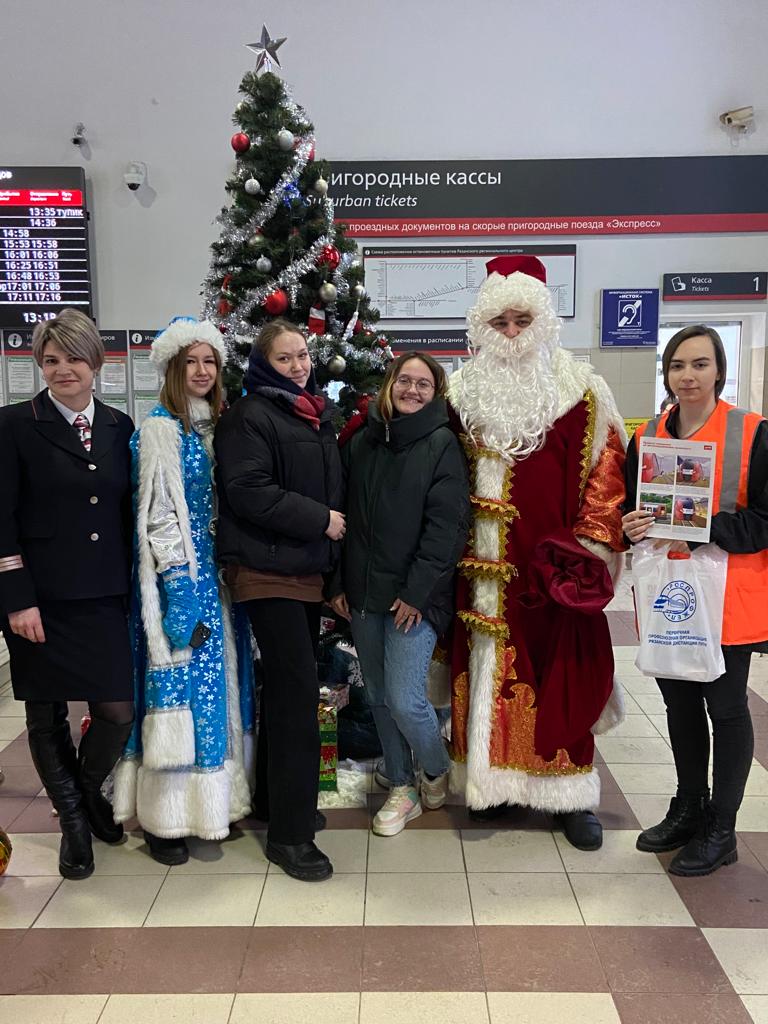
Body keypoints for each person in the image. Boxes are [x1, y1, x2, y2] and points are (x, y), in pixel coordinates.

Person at [448, 255, 627, 851]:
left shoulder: (583, 391)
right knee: (483, 674)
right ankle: (494, 785)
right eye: (499, 322)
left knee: (561, 678)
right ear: (483, 325)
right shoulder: (457, 392)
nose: (511, 334)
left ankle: (569, 793)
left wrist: (591, 552)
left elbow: (607, 476)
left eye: (522, 320)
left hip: (553, 573)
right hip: (476, 577)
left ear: (544, 319)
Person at [622, 324, 768, 875]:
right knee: (679, 706)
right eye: (678, 365)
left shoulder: (754, 433)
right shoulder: (649, 437)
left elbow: (766, 519)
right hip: (670, 596)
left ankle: (721, 828)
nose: (688, 376)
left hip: (731, 600)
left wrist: (706, 529)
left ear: (718, 370)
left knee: (726, 709)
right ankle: (688, 806)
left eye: (700, 364)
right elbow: (630, 511)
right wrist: (628, 523)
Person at [112, 318, 253, 866]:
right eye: (191, 362)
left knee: (216, 694)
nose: (201, 372)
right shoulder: (159, 430)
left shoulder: (215, 428)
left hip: (218, 582)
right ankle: (164, 819)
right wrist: (178, 592)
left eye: (210, 362)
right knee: (174, 695)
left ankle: (212, 806)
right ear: (173, 369)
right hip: (180, 585)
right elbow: (160, 519)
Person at [0, 309, 135, 880]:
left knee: (117, 711)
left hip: (104, 591)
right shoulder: (13, 424)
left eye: (74, 358)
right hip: (42, 596)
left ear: (95, 362)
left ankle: (83, 795)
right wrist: (16, 597)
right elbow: (1, 519)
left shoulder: (119, 426)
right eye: (51, 360)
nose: (62, 370)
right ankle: (75, 825)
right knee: (45, 711)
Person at [215, 318, 344, 882]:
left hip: (303, 571)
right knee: (295, 696)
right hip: (266, 570)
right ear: (265, 364)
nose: (299, 366)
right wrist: (321, 521)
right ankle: (289, 839)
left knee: (288, 690)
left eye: (303, 356)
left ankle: (275, 803)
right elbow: (247, 491)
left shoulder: (309, 414)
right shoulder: (250, 415)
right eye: (286, 358)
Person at [329, 353, 470, 836]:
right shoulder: (362, 442)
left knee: (407, 698)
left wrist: (415, 593)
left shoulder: (441, 444)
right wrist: (338, 585)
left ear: (436, 394)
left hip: (416, 598)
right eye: (405, 381)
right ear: (390, 385)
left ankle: (435, 766)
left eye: (423, 385)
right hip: (364, 594)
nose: (412, 390)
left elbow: (446, 529)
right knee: (380, 698)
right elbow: (340, 516)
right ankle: (403, 784)